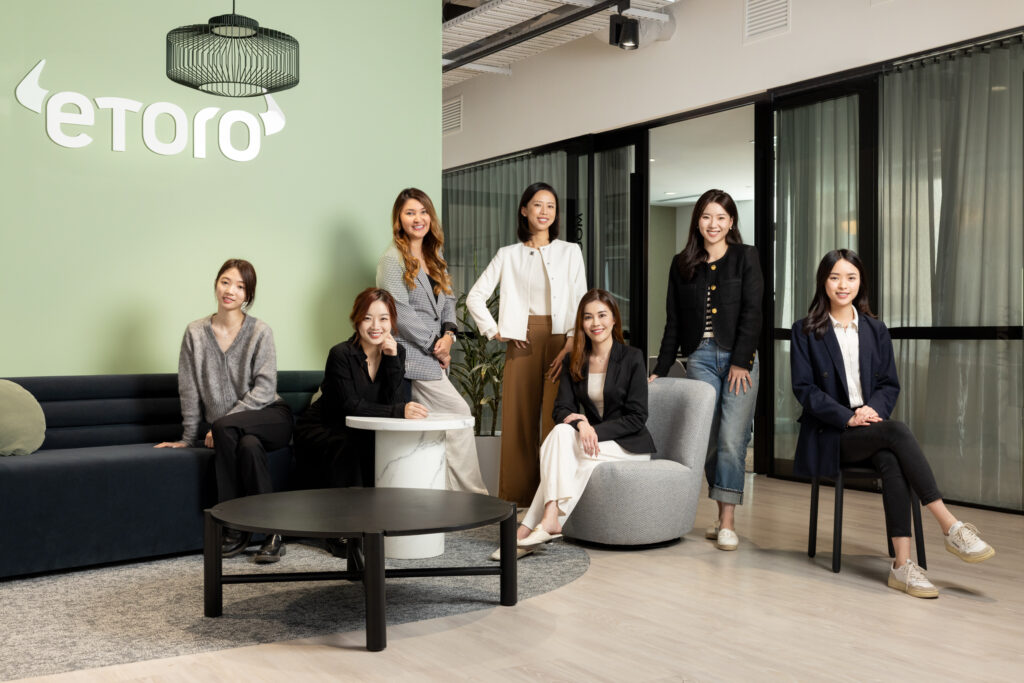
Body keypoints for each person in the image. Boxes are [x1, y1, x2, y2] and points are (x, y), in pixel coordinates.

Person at [791, 249, 995, 598]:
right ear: (823, 282)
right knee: (897, 432)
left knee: (892, 460)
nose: (843, 285)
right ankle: (950, 525)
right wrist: (850, 415)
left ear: (860, 282)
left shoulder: (875, 328)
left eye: (851, 277)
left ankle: (902, 566)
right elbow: (805, 390)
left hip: (871, 426)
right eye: (835, 277)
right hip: (833, 433)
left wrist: (869, 410)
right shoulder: (806, 331)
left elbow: (889, 384)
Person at [490, 289, 655, 560]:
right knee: (561, 433)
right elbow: (561, 410)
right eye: (588, 317)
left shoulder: (632, 357)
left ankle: (525, 531)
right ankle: (547, 520)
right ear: (581, 324)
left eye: (602, 315)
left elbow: (637, 417)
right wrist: (581, 424)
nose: (595, 323)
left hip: (627, 445)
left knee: (566, 451)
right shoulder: (574, 359)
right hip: (589, 443)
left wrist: (594, 432)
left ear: (614, 319)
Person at [156, 259, 293, 563]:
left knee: (227, 428)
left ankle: (233, 527)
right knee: (247, 446)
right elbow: (189, 388)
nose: (231, 290)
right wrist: (189, 437)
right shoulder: (194, 333)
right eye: (225, 282)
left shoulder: (260, 332)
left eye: (240, 286)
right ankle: (273, 534)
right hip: (233, 432)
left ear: (248, 295)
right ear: (216, 284)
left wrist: (222, 425)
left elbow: (265, 389)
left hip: (271, 415)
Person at [649, 189, 762, 551]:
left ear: (731, 222)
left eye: (721, 218)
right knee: (711, 440)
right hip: (699, 357)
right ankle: (721, 515)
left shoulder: (746, 257)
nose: (713, 224)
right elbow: (674, 322)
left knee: (732, 437)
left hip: (738, 360)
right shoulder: (682, 263)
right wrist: (662, 368)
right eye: (706, 217)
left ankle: (727, 521)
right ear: (697, 220)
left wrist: (743, 360)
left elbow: (753, 312)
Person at [467, 182, 587, 506]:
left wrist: (573, 339)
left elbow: (580, 298)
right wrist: (495, 331)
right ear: (524, 210)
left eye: (550, 206)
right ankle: (516, 501)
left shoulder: (570, 252)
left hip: (562, 339)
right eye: (537, 205)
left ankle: (550, 502)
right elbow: (475, 297)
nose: (544, 211)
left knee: (554, 420)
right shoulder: (508, 255)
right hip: (522, 341)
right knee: (518, 422)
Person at [376, 188, 487, 494]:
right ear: (399, 219)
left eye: (423, 212)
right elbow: (399, 309)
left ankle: (449, 499)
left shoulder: (433, 256)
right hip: (411, 356)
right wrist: (434, 345)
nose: (418, 218)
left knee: (438, 429)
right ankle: (474, 497)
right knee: (460, 415)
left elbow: (449, 301)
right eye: (410, 212)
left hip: (434, 353)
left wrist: (449, 336)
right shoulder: (391, 260)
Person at [294, 288, 428, 491]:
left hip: (362, 431)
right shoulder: (340, 354)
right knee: (353, 445)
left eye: (383, 319)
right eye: (367, 318)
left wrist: (391, 360)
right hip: (325, 427)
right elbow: (350, 405)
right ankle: (353, 515)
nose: (376, 326)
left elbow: (393, 401)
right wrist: (399, 411)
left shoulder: (397, 352)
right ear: (357, 320)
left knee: (385, 445)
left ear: (392, 321)